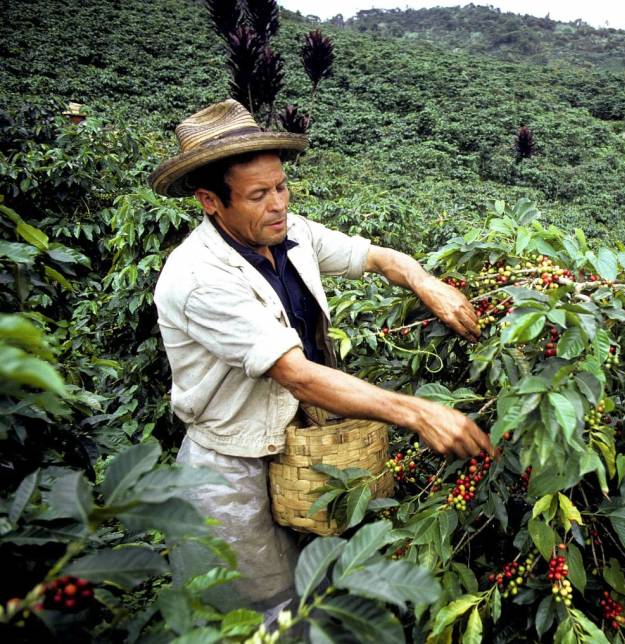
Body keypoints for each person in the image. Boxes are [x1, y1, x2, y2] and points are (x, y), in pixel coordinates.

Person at [148, 99, 493, 617]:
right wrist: (419, 412)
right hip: (234, 463)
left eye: (281, 187)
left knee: (318, 583)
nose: (278, 204)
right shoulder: (198, 278)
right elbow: (296, 374)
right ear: (210, 201)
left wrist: (427, 283)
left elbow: (373, 257)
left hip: (303, 445)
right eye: (258, 195)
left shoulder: (292, 235)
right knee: (260, 607)